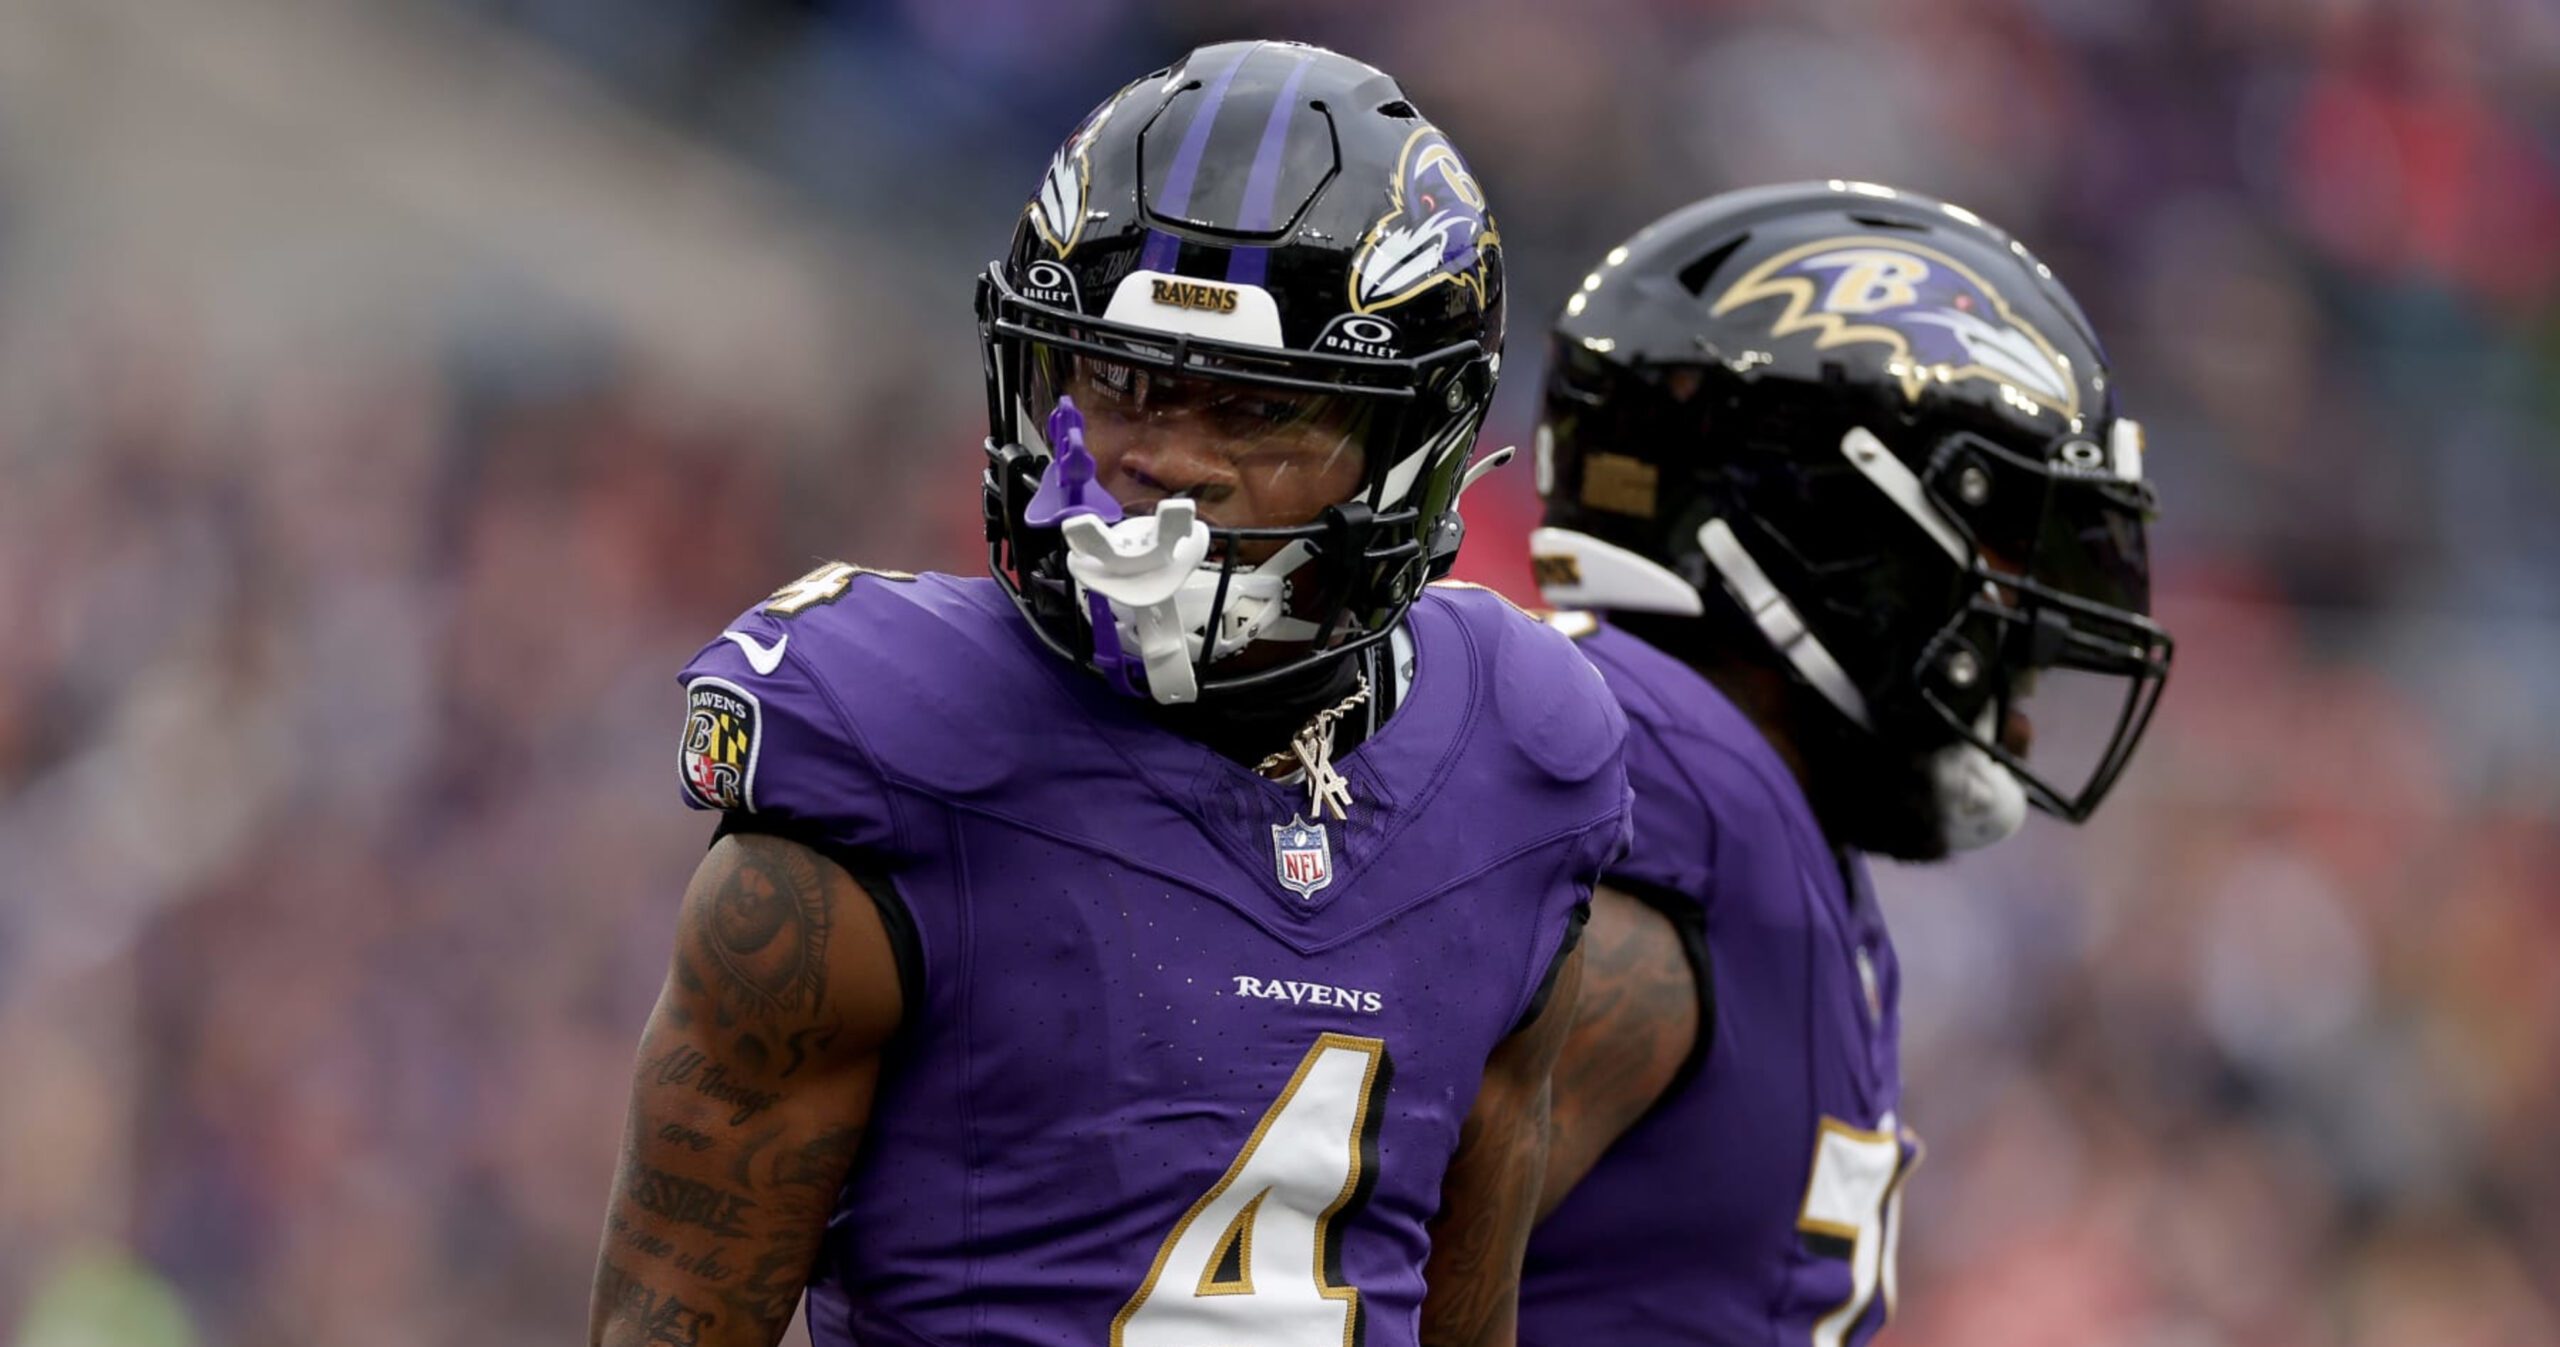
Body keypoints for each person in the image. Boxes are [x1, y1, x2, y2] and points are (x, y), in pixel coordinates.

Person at [589, 40, 1633, 1347]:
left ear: (1412, 445)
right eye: (1124, 379)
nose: (1164, 459)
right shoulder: (891, 753)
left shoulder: (1522, 758)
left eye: (1258, 405)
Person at [1515, 181, 2175, 1346]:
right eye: (2003, 541)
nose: (2035, 624)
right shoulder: (1654, 808)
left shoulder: (1770, 827)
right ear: (1827, 528)